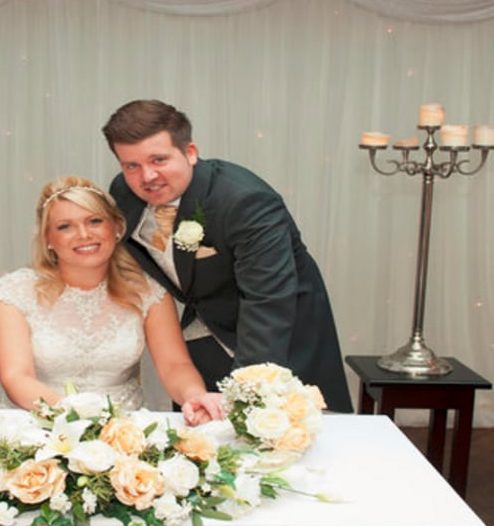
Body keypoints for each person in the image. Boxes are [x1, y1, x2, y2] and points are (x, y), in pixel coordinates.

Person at [102, 99, 353, 413]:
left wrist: (246, 392)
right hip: (204, 330)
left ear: (190, 152)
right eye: (131, 165)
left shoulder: (246, 201)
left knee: (285, 427)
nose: (147, 176)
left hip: (278, 332)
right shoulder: (124, 194)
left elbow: (267, 301)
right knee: (202, 423)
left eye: (159, 159)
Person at [0, 175, 223, 424]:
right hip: (38, 425)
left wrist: (194, 396)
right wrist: (80, 417)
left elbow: (175, 365)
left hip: (123, 430)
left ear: (116, 227)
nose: (83, 234)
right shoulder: (14, 292)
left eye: (95, 221)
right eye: (65, 226)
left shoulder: (149, 291)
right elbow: (17, 377)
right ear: (48, 239)